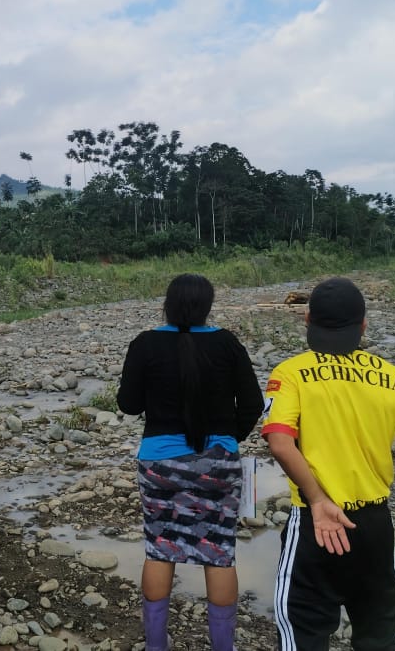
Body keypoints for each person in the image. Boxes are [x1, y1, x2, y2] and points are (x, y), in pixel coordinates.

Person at [261, 277, 395, 651]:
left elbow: (280, 443)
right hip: (375, 527)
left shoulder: (291, 373)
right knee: (379, 635)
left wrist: (317, 499)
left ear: (307, 320)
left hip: (316, 524)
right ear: (363, 325)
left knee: (302, 632)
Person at [116, 274, 264, 651]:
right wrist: (228, 439)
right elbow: (252, 404)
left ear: (167, 304)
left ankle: (156, 646)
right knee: (219, 551)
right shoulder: (227, 343)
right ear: (207, 307)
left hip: (159, 464)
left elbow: (128, 404)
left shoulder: (145, 344)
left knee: (160, 547)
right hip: (219, 463)